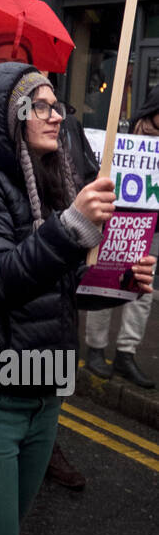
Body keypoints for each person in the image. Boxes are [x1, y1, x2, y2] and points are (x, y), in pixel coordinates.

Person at [0, 62, 154, 535]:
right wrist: (73, 226)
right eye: (42, 106)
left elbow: (60, 291)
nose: (56, 116)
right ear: (7, 117)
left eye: (58, 106)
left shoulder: (53, 183)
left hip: (41, 394)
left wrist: (119, 280)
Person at [84, 84, 159, 389]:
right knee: (103, 283)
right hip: (116, 223)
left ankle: (126, 353)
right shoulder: (123, 140)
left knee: (141, 292)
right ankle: (95, 349)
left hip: (153, 228)